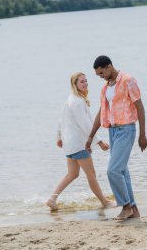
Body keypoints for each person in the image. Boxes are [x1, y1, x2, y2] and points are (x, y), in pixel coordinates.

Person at [86, 55, 147, 221]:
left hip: (126, 130)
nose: (101, 77)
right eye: (98, 75)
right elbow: (101, 113)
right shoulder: (106, 88)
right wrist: (91, 136)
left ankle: (125, 206)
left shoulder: (128, 80)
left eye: (102, 73)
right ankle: (133, 209)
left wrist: (143, 134)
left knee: (112, 170)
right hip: (112, 132)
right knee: (122, 172)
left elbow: (140, 107)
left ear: (109, 66)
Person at [46, 72, 114, 211]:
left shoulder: (70, 99)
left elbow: (61, 120)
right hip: (78, 144)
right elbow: (86, 125)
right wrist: (99, 142)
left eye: (86, 81)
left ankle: (52, 198)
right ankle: (105, 202)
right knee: (91, 175)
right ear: (74, 84)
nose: (85, 83)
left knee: (72, 174)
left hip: (70, 145)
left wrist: (59, 138)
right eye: (81, 82)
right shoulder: (77, 102)